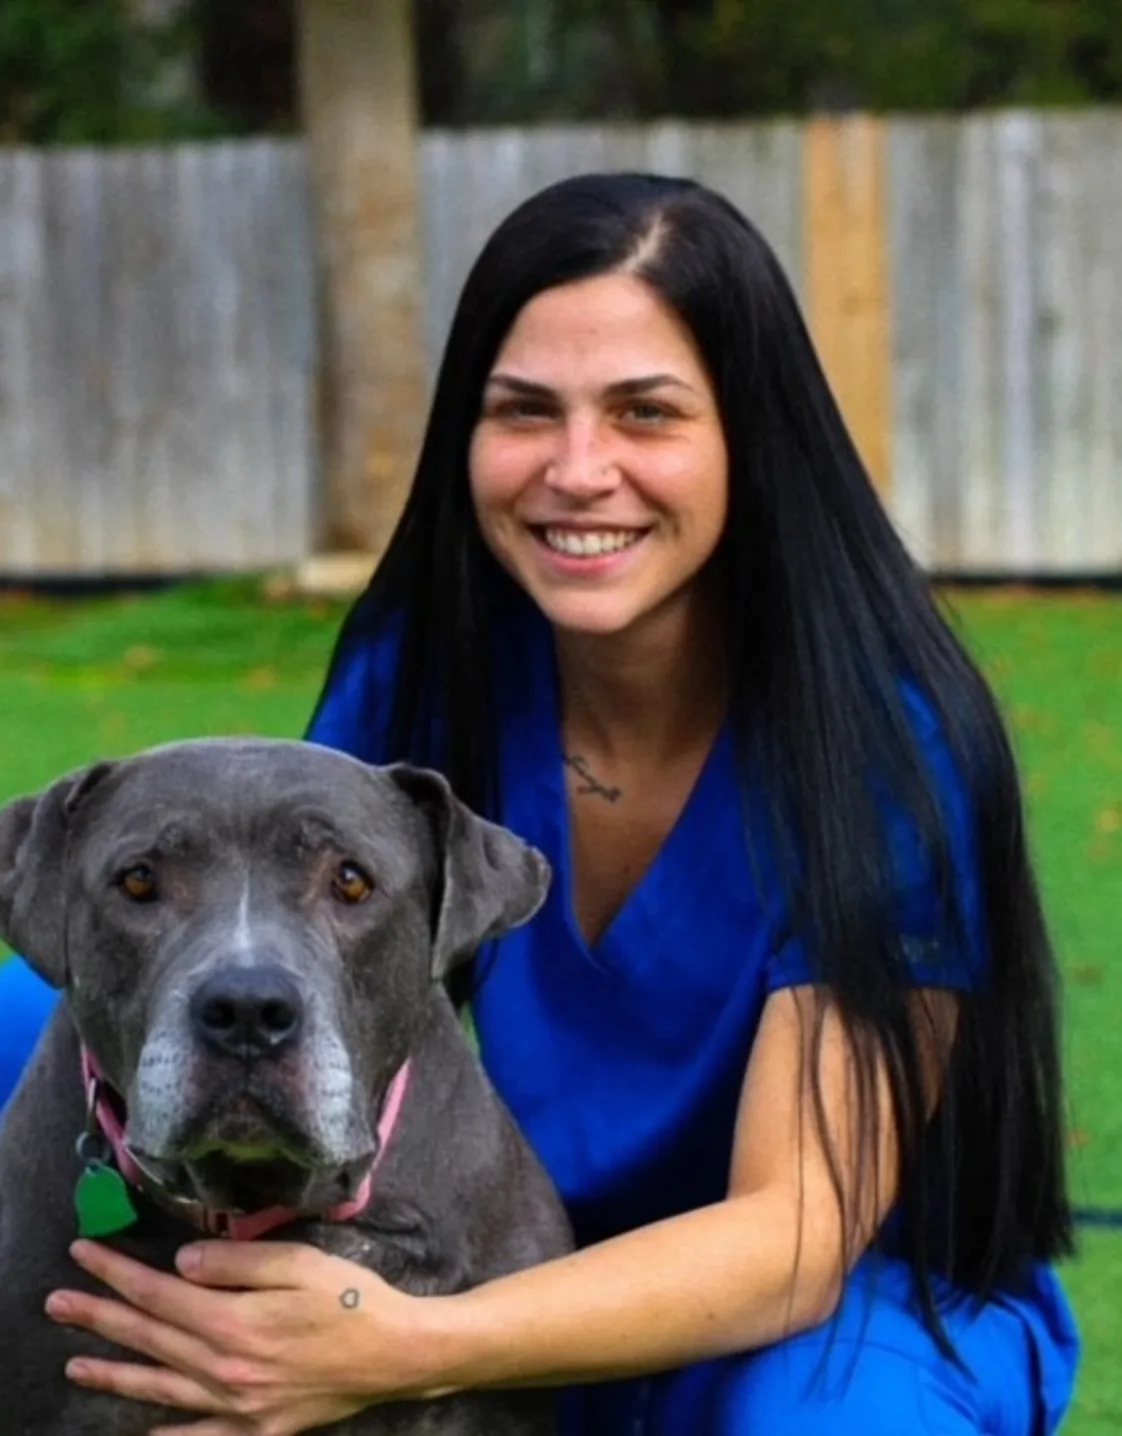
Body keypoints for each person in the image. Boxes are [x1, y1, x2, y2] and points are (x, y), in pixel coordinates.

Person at [4, 171, 1078, 1435]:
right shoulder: (425, 667)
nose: (580, 469)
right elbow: (275, 960)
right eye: (525, 411)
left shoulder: (884, 744)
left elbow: (795, 1235)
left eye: (645, 413)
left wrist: (400, 1344)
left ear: (751, 436)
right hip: (463, 1233)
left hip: (805, 1315)